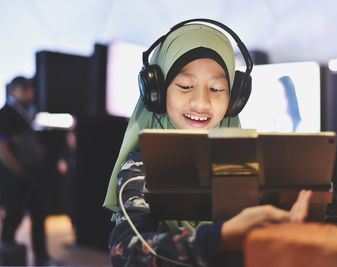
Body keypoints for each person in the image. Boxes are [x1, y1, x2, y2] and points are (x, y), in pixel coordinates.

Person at [103, 19, 312, 267]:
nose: (201, 103)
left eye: (216, 88)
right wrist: (220, 238)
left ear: (235, 99)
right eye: (185, 86)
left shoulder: (247, 165)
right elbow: (126, 251)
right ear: (156, 91)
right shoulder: (140, 167)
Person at [0, 76, 50, 265]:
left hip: (31, 173)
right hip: (15, 175)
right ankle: (7, 253)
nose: (31, 92)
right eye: (26, 89)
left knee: (39, 212)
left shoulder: (26, 112)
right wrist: (17, 169)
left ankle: (42, 256)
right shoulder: (5, 113)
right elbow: (2, 146)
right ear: (14, 89)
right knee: (14, 214)